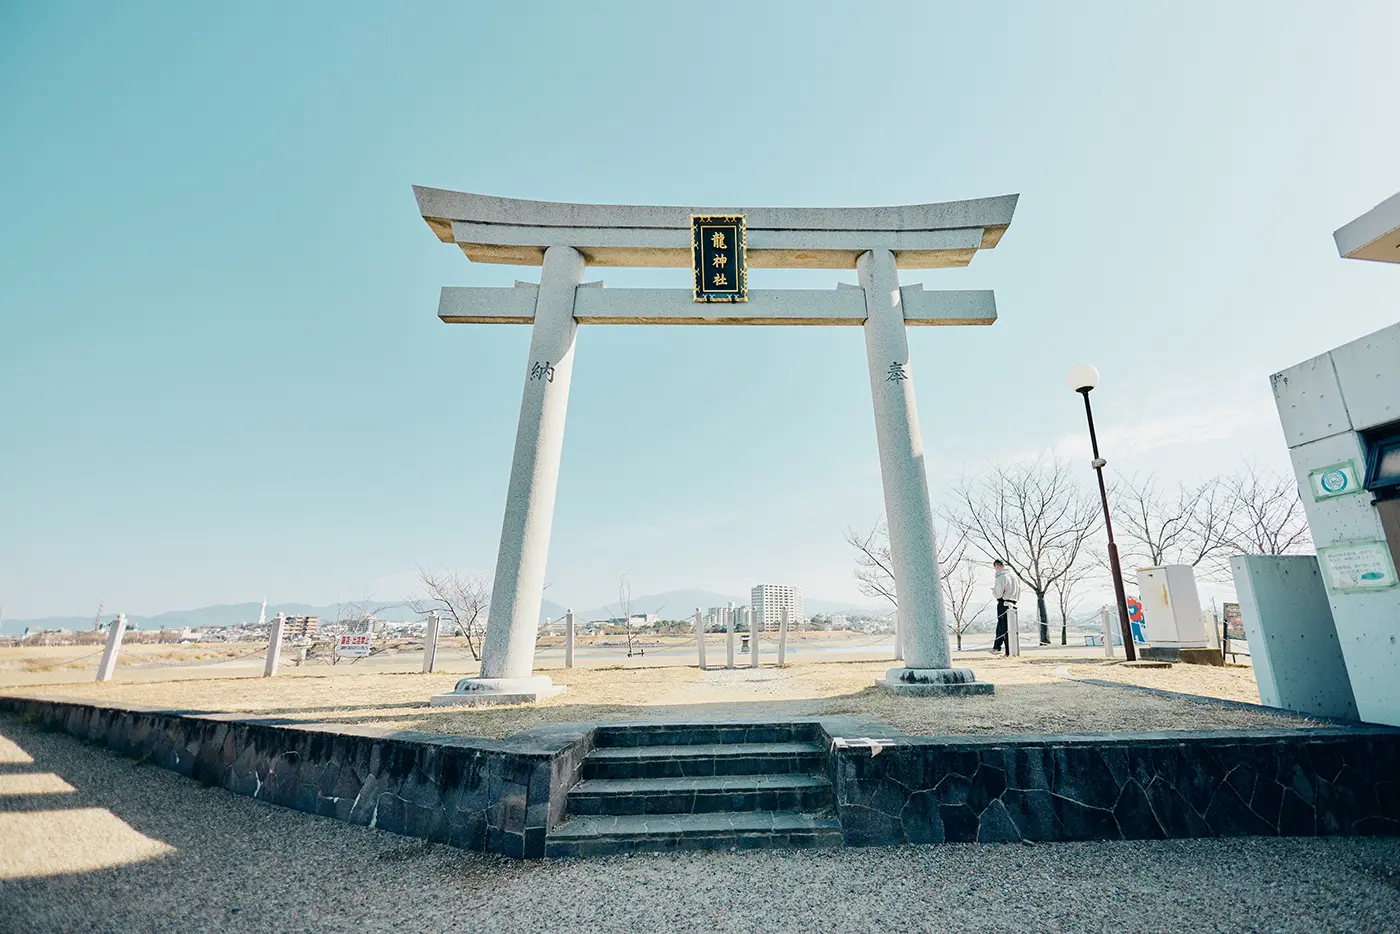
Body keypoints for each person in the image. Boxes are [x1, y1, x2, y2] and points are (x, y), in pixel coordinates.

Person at [990, 559, 1020, 656]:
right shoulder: (1015, 577)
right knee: (1011, 628)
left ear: (997, 566)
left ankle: (998, 647)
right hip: (1014, 603)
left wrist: (993, 591)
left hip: (1004, 603)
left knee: (1002, 627)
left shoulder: (1001, 577)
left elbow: (998, 594)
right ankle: (1007, 650)